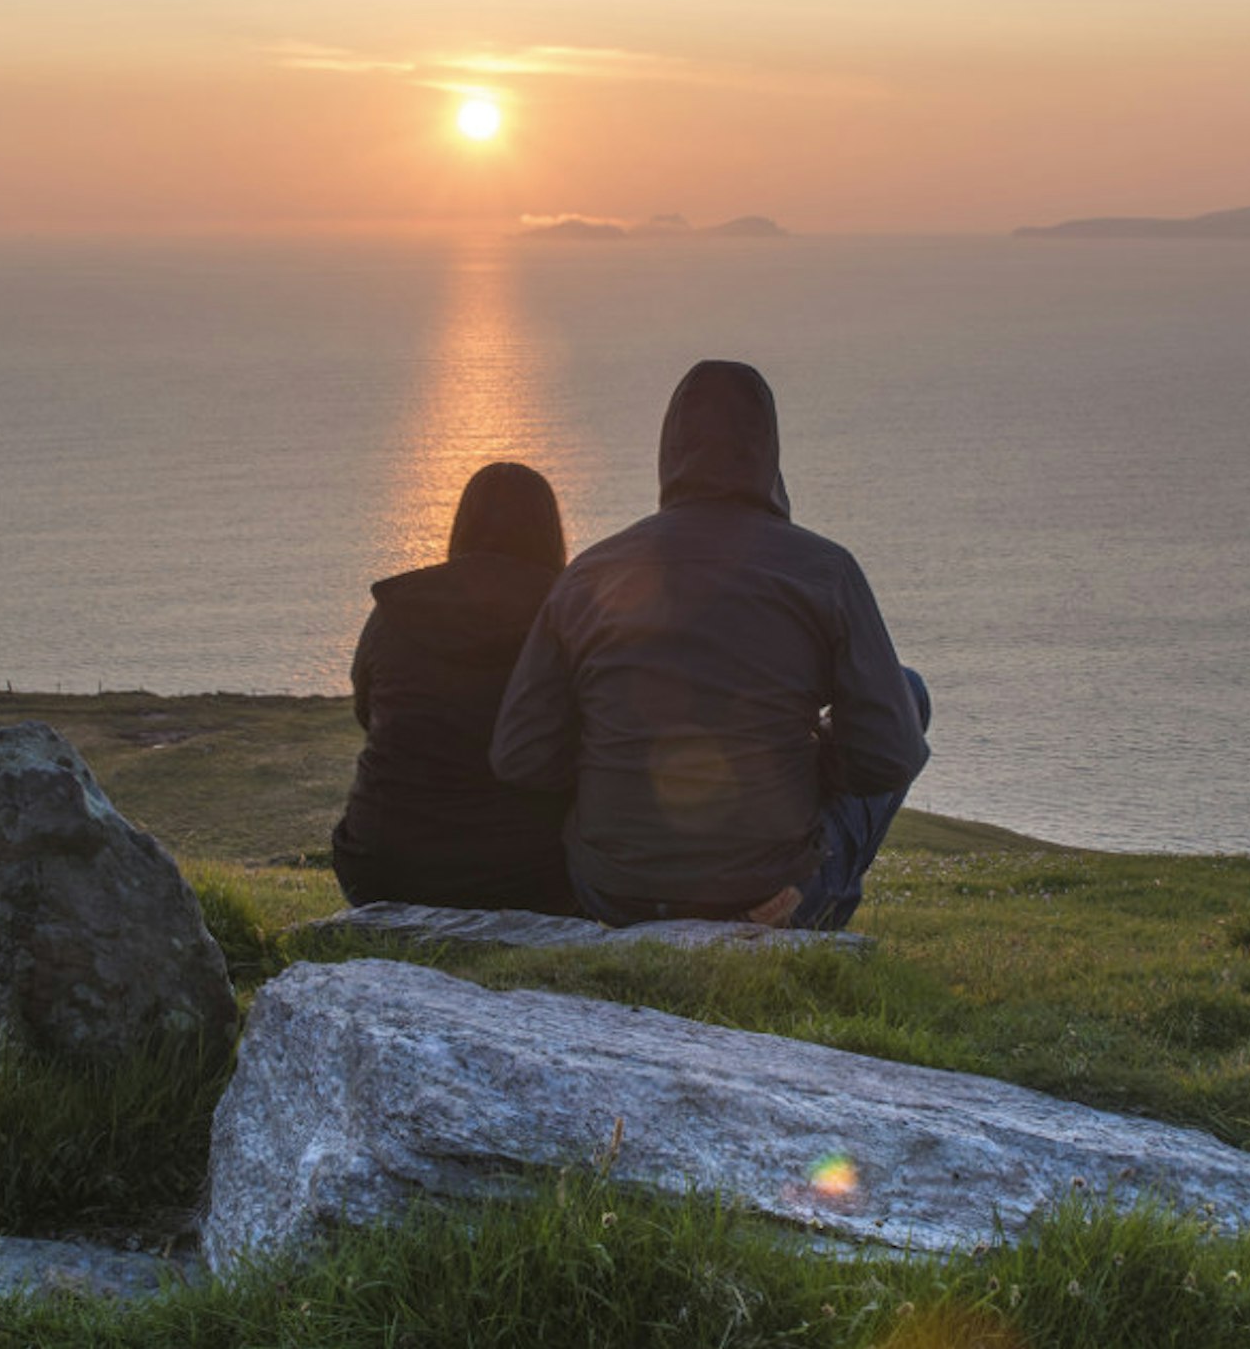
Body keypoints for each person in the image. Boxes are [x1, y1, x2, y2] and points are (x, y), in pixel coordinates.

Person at [491, 359, 929, 929]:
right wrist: (810, 760)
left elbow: (521, 756)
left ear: (669, 452)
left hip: (612, 894)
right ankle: (804, 901)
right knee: (908, 692)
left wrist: (616, 759)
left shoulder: (589, 576)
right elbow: (887, 755)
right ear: (769, 452)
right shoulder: (825, 572)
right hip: (763, 896)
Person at [329, 461, 580, 914]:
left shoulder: (394, 611)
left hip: (382, 870)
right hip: (530, 877)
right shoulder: (573, 615)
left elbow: (368, 714)